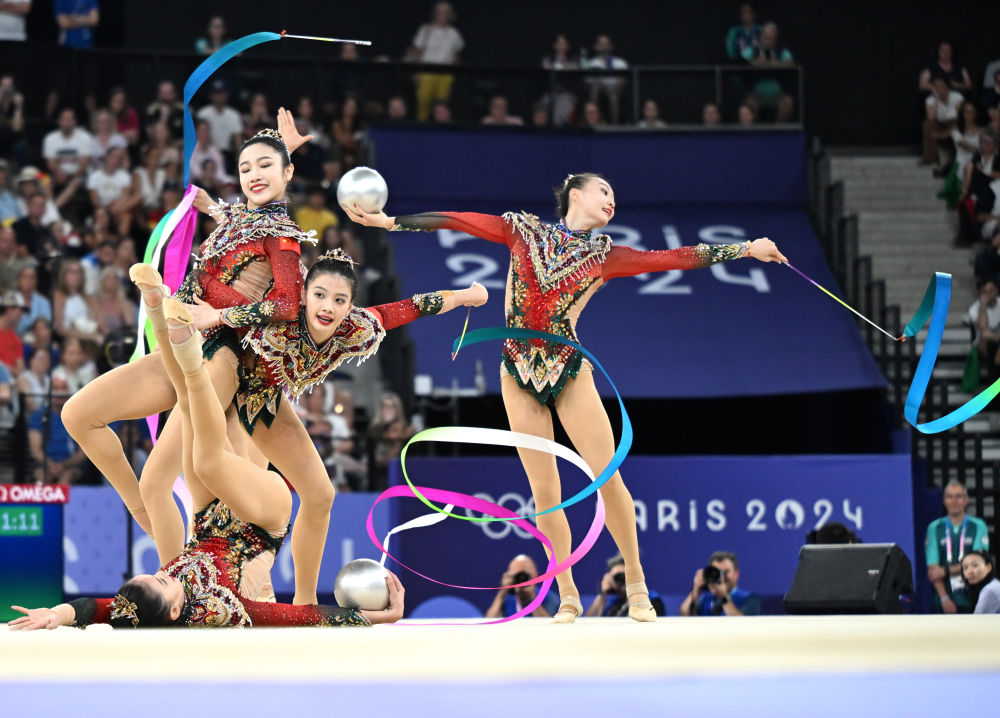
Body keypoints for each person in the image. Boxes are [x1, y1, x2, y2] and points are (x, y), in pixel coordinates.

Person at [346, 172, 785, 622]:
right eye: (604, 191)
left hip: (570, 371)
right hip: (517, 372)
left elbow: (674, 257)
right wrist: (392, 222)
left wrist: (747, 248)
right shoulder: (523, 231)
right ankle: (567, 591)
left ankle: (636, 583)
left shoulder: (606, 256)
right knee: (545, 492)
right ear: (576, 194)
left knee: (607, 477)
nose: (612, 200)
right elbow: (459, 220)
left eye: (614, 195)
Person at [9, 299, 405, 629]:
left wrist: (56, 614)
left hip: (207, 515)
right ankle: (188, 355)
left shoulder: (148, 602)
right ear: (177, 611)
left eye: (154, 573)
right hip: (260, 522)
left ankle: (172, 335)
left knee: (192, 425)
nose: (165, 571)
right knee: (206, 460)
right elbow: (292, 617)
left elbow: (96, 608)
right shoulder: (216, 607)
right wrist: (375, 617)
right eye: (163, 581)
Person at [125, 250, 485, 601]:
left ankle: (305, 601)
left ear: (350, 306)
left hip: (264, 399)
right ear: (304, 295)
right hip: (226, 376)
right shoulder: (281, 314)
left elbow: (414, 306)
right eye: (320, 295)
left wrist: (465, 296)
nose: (328, 307)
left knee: (321, 495)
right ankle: (172, 588)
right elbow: (233, 298)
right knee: (187, 476)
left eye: (340, 300)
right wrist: (212, 314)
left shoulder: (358, 328)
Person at [925, 480, 990, 613]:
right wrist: (944, 598)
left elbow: (976, 564)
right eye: (950, 496)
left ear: (966, 500)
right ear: (944, 501)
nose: (954, 501)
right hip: (943, 600)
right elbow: (933, 570)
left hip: (973, 598)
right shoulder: (934, 528)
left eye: (958, 496)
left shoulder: (978, 526)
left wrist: (945, 571)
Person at [406, 1, 464, 122]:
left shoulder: (454, 34)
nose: (443, 15)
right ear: (435, 14)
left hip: (445, 73)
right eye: (440, 12)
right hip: (426, 71)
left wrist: (454, 73)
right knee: (423, 104)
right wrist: (416, 72)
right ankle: (421, 128)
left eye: (446, 12)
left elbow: (457, 55)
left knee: (442, 105)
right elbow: (417, 52)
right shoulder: (425, 30)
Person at [28, 374, 88, 484]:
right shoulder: (39, 415)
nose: (60, 392)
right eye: (56, 388)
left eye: (63, 388)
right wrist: (51, 464)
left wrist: (63, 465)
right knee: (42, 477)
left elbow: (83, 453)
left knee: (66, 478)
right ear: (49, 392)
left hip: (72, 466)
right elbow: (35, 449)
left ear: (69, 390)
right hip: (45, 465)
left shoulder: (79, 416)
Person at [679, 551, 762, 616]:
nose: (721, 577)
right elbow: (684, 617)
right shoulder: (705, 598)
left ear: (736, 574)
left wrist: (723, 597)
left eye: (725, 572)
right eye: (717, 572)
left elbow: (742, 625)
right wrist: (695, 590)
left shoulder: (748, 599)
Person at [585, 552, 665, 617]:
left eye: (626, 575)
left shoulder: (651, 598)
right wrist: (602, 595)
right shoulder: (612, 603)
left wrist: (634, 590)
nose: (624, 579)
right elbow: (589, 623)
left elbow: (652, 622)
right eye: (618, 576)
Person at [485, 554, 559, 618]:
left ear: (535, 576)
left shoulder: (548, 597)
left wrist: (533, 601)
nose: (521, 580)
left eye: (525, 576)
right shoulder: (507, 598)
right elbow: (490, 622)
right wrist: (502, 593)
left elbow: (549, 626)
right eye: (517, 576)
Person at [583, 35, 628, 125]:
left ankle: (614, 126)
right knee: (595, 88)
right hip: (598, 90)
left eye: (606, 44)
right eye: (601, 44)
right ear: (596, 47)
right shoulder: (590, 63)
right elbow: (587, 82)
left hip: (615, 90)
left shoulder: (620, 62)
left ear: (611, 46)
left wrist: (615, 88)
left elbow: (623, 81)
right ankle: (594, 124)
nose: (604, 46)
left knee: (613, 96)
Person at [924, 75, 964, 169]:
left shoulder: (957, 97)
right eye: (936, 86)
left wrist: (945, 133)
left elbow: (957, 116)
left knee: (956, 124)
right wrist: (937, 99)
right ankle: (932, 158)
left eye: (941, 85)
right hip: (940, 124)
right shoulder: (930, 100)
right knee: (927, 125)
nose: (939, 89)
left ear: (947, 86)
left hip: (955, 123)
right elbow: (931, 118)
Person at [968, 280, 1000, 385]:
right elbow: (983, 330)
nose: (988, 294)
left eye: (991, 291)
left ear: (997, 291)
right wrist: (983, 306)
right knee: (987, 340)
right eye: (984, 292)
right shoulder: (974, 309)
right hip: (982, 346)